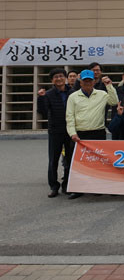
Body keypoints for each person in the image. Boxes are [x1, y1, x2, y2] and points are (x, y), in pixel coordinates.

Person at [65, 70, 118, 199]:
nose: (87, 83)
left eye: (90, 80)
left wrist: (109, 86)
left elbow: (114, 101)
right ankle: (77, 189)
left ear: (94, 81)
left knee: (98, 162)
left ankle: (96, 187)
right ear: (80, 82)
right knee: (78, 163)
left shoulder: (102, 94)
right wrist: (72, 133)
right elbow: (69, 117)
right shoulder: (73, 97)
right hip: (79, 134)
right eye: (85, 81)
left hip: (98, 132)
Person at [37, 68, 73, 198]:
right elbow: (43, 111)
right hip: (55, 131)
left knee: (69, 159)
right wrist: (41, 98)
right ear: (52, 80)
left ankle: (67, 185)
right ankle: (53, 186)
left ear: (65, 78)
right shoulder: (48, 94)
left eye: (61, 76)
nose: (59, 79)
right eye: (56, 77)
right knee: (53, 159)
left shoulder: (73, 92)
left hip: (70, 130)